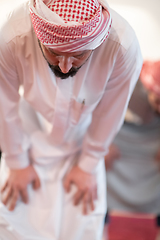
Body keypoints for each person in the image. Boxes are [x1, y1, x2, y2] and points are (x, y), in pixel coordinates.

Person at [0, 0, 142, 239]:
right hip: (27, 139)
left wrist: (89, 163)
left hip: (82, 144)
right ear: (38, 35)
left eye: (78, 56)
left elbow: (111, 111)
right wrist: (16, 161)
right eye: (54, 54)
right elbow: (3, 101)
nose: (65, 68)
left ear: (97, 42)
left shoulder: (122, 46)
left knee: (82, 229)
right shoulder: (13, 34)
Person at [105, 61, 160, 240]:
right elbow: (90, 105)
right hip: (118, 133)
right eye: (158, 102)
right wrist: (100, 143)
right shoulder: (126, 74)